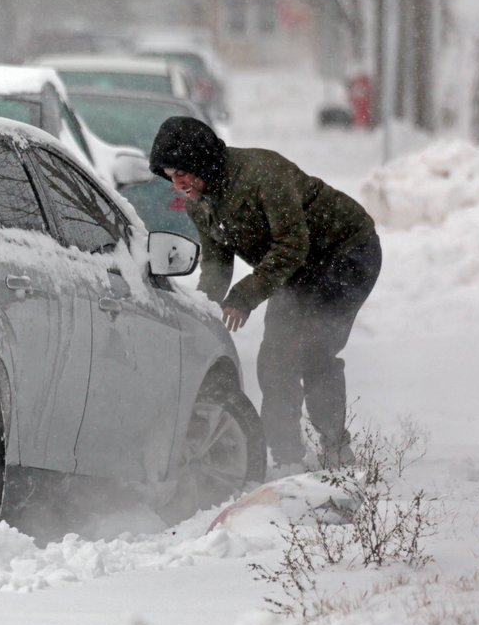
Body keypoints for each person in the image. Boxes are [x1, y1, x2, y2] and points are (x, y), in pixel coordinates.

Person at [148, 116, 380, 468]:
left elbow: (292, 243)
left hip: (345, 253)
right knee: (276, 359)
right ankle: (287, 457)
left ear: (201, 162)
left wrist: (244, 297)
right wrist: (203, 312)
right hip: (296, 269)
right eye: (170, 177)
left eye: (182, 175)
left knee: (315, 350)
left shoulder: (263, 175)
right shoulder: (199, 201)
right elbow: (216, 263)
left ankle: (335, 447)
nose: (178, 185)